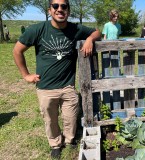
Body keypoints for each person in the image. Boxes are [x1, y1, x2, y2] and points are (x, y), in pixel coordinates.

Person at [13, 0, 101, 159]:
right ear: (49, 10)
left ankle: (69, 140)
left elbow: (97, 32)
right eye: (55, 6)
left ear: (68, 10)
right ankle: (55, 144)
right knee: (50, 119)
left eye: (64, 6)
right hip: (45, 87)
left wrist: (89, 40)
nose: (60, 9)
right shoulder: (38, 30)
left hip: (68, 85)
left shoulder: (76, 29)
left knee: (71, 117)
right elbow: (17, 50)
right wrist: (26, 75)